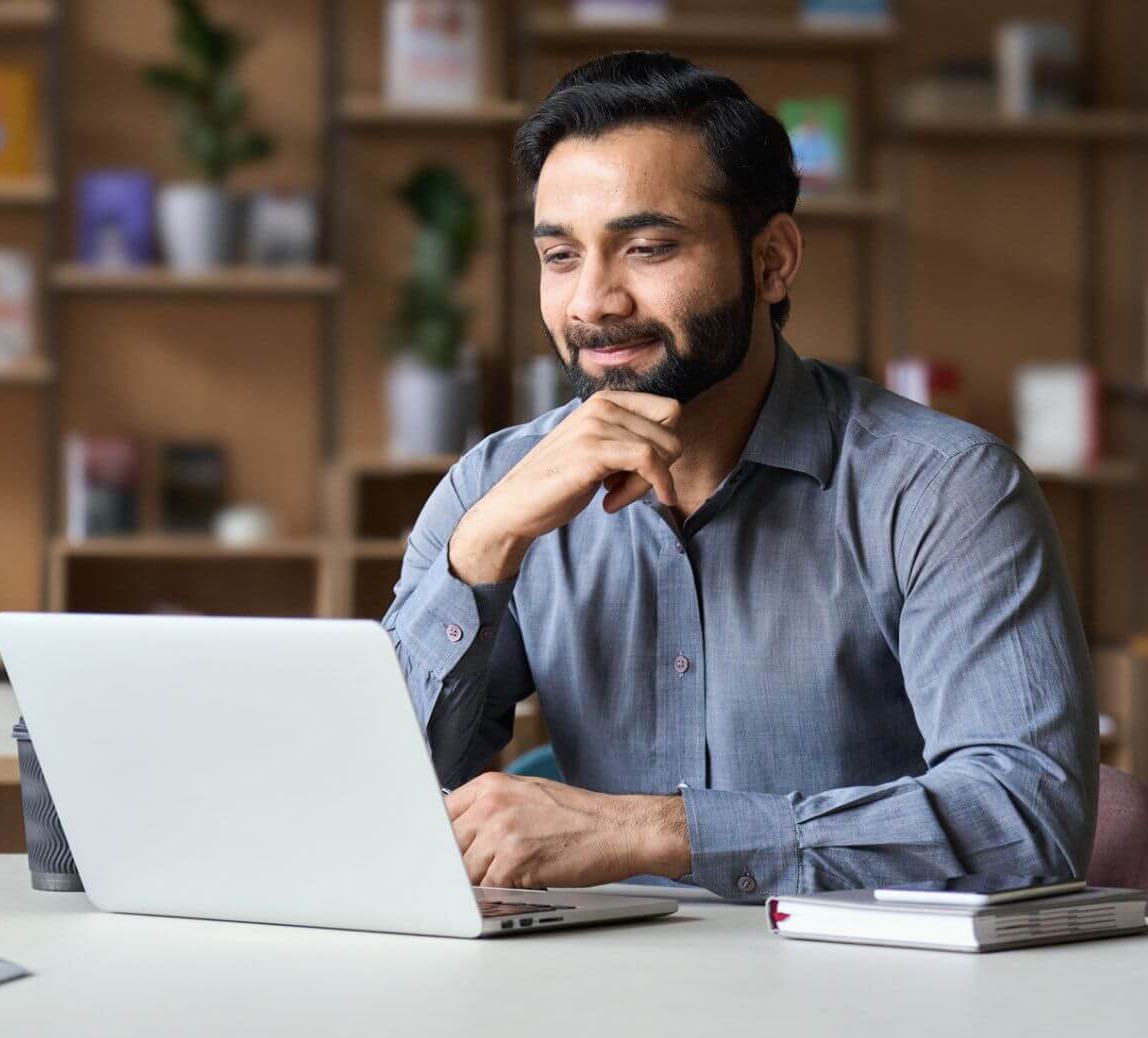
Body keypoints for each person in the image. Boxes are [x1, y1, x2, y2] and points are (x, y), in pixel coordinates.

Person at [381, 51, 1098, 900]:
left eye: (647, 247)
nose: (593, 304)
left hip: (876, 1001)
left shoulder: (946, 490)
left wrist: (661, 831)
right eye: (562, 256)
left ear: (772, 261)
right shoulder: (491, 489)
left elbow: (1026, 819)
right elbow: (369, 801)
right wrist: (483, 552)